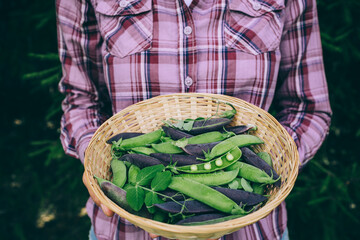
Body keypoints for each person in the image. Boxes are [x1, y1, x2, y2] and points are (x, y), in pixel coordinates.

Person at [56, 0, 332, 239]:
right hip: (123, 230)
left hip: (254, 230)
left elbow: (307, 107)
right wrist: (96, 155)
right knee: (174, 170)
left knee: (221, 170)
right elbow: (81, 100)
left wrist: (270, 161)